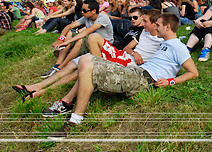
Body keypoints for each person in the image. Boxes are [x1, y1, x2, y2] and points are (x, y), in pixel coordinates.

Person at [47, 13, 199, 140]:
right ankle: (70, 104)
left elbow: (193, 72)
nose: (156, 27)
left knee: (88, 65)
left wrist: (171, 81)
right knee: (86, 59)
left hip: (144, 80)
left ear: (167, 27)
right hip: (138, 73)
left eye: (158, 25)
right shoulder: (165, 43)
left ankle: (75, 120)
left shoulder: (178, 46)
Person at [12, 7, 149, 102]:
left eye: (135, 17)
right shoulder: (132, 28)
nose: (131, 19)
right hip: (110, 50)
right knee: (74, 64)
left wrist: (134, 52)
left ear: (143, 18)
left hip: (114, 54)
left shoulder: (144, 31)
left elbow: (132, 48)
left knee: (83, 68)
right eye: (130, 17)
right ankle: (38, 85)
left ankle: (42, 91)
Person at [40, 0, 114, 79]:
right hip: (91, 42)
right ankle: (58, 64)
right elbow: (69, 26)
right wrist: (60, 39)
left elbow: (87, 32)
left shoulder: (102, 17)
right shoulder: (87, 17)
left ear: (93, 11)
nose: (82, 12)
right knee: (69, 33)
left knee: (80, 41)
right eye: (82, 10)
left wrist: (67, 42)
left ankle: (61, 67)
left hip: (104, 45)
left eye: (85, 10)